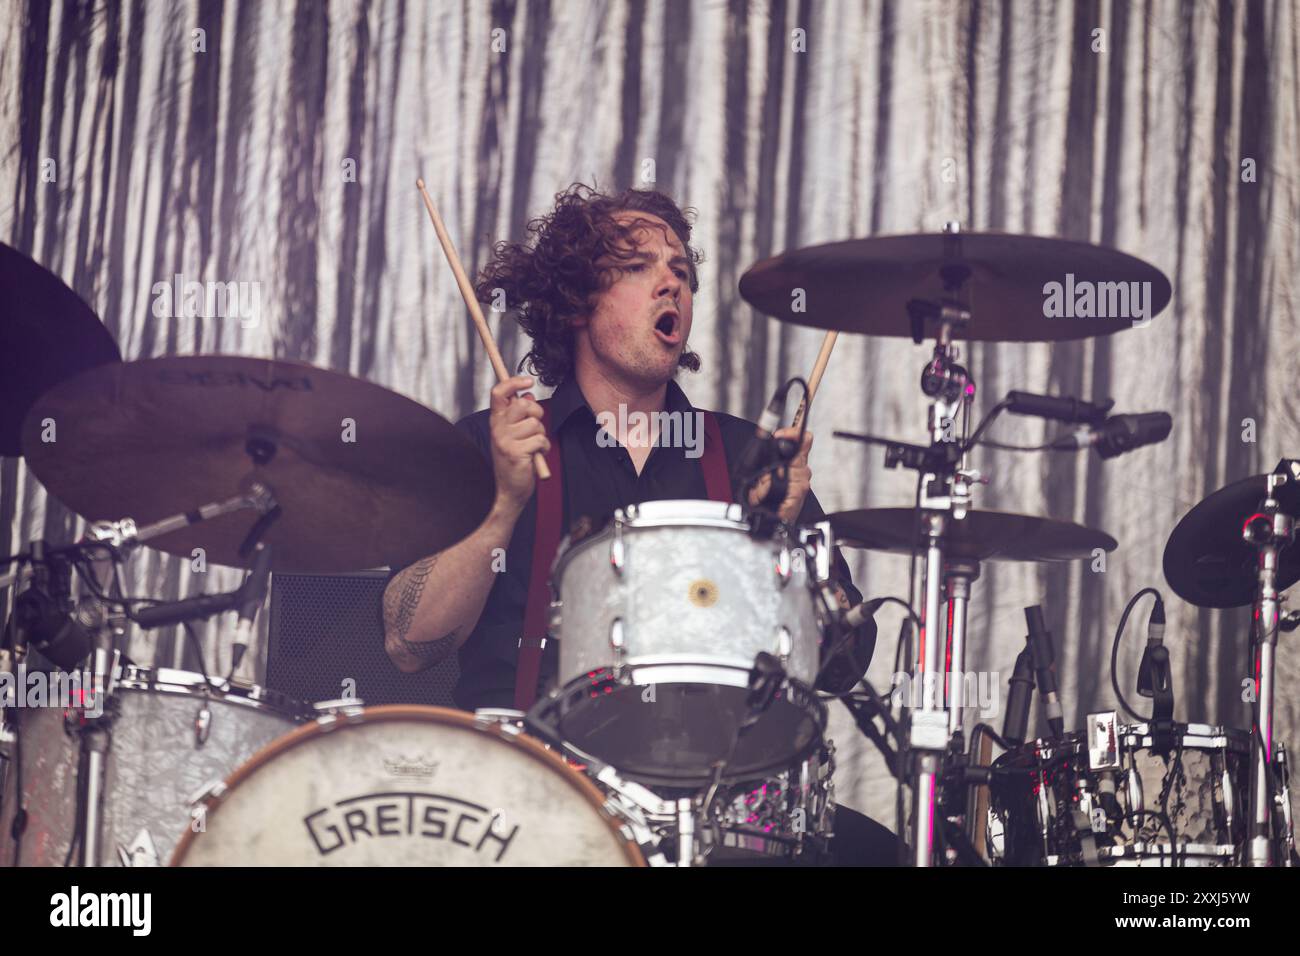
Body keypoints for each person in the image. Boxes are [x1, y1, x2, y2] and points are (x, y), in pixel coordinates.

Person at [383, 183, 896, 864]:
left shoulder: (750, 456)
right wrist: (503, 508)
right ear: (576, 303)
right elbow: (408, 643)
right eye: (637, 267)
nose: (670, 285)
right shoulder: (492, 445)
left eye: (680, 271)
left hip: (715, 812)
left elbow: (843, 667)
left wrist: (783, 544)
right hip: (523, 806)